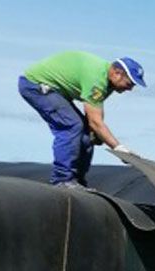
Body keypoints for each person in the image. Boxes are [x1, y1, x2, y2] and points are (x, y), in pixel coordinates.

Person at [18, 51, 145, 187]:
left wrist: (95, 135)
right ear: (117, 73)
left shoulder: (108, 82)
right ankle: (62, 180)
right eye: (129, 83)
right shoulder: (96, 79)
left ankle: (77, 181)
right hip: (35, 85)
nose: (130, 89)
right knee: (72, 125)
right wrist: (118, 148)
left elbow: (95, 117)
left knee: (86, 135)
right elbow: (95, 122)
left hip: (57, 91)